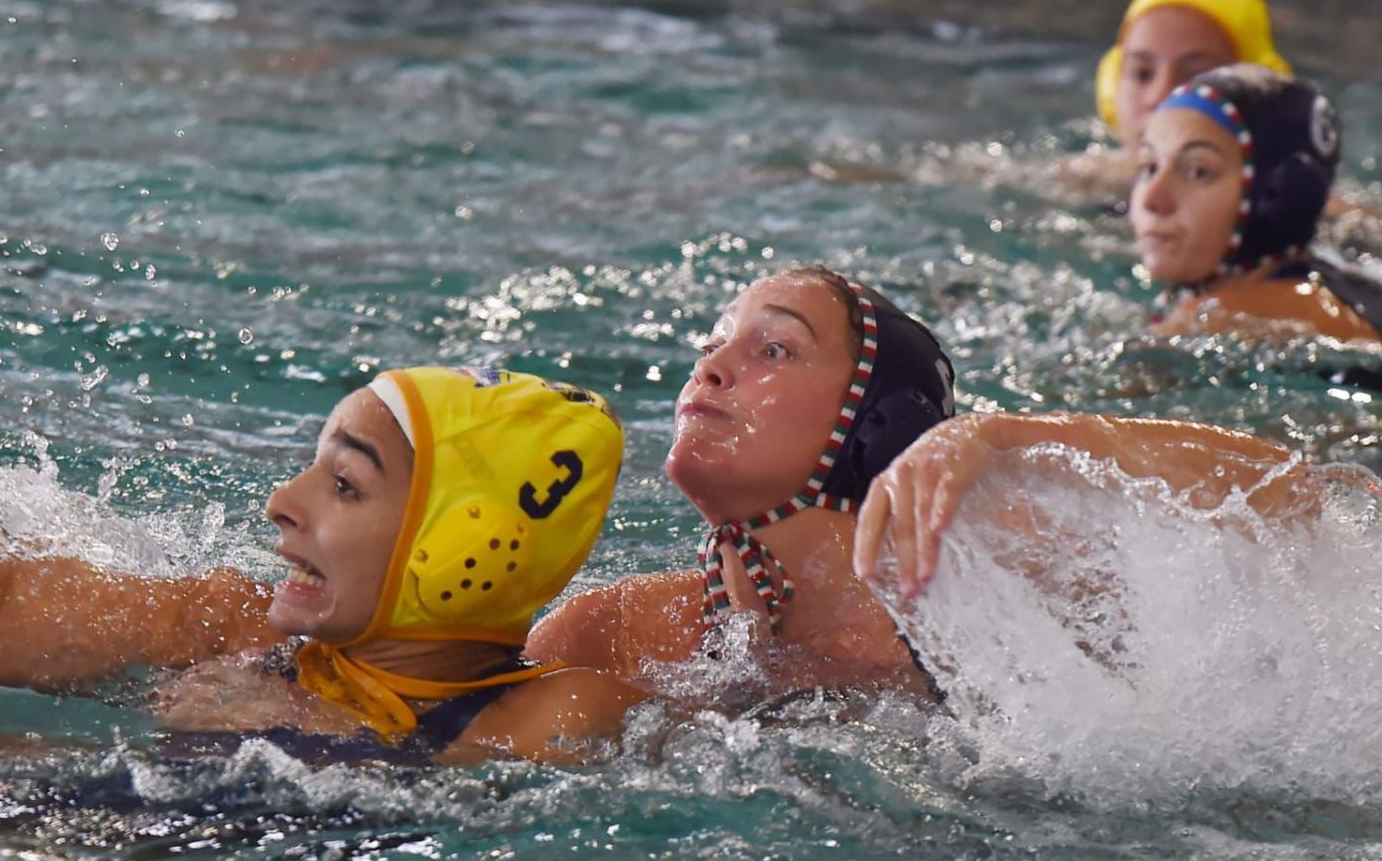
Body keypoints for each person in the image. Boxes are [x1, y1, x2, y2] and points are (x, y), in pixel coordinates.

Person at [0, 293, 643, 766]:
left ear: (459, 547)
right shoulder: (230, 622)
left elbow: (465, 809)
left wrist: (309, 727)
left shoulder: (560, 711)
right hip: (87, 841)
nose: (282, 500)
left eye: (342, 483)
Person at [524, 267, 955, 705]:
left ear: (882, 427)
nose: (708, 368)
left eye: (773, 349)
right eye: (711, 346)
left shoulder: (966, 658)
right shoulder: (608, 637)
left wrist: (987, 440)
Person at [851, 409, 1376, 605]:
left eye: (777, 350)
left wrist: (999, 432)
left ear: (867, 412)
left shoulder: (983, 553)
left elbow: (1294, 494)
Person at [1130, 64, 1382, 343]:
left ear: (1277, 195)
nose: (1153, 198)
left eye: (1198, 171)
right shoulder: (1334, 288)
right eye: (1149, 166)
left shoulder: (1221, 316)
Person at [1097, 0, 1290, 158]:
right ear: (1111, 85)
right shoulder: (1080, 179)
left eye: (1196, 76)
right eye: (1142, 74)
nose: (1159, 96)